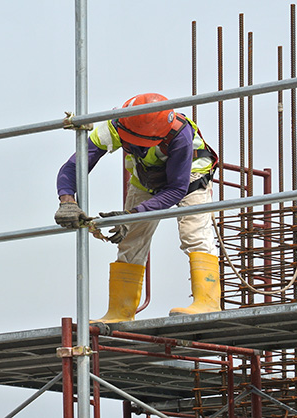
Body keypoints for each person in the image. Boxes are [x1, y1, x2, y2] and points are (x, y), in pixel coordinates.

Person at [54, 93, 220, 323]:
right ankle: (120, 312)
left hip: (191, 177)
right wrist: (67, 201)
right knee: (131, 241)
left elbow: (175, 190)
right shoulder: (116, 124)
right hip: (146, 178)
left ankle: (208, 302)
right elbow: (74, 165)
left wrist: (132, 215)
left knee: (194, 233)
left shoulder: (179, 133)